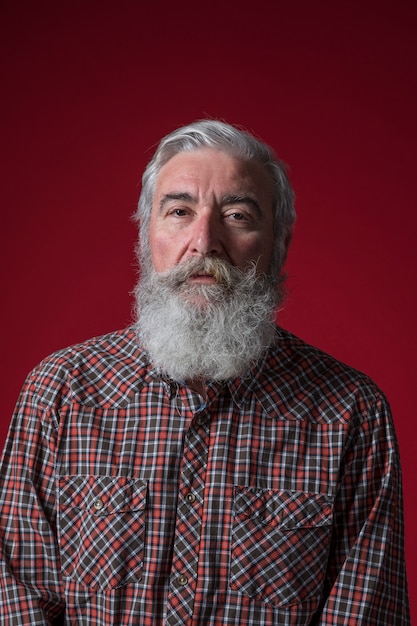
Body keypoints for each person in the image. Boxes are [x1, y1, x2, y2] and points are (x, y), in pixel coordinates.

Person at [0, 120, 410, 625]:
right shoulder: (60, 392)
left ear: (277, 244)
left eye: (237, 215)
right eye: (179, 212)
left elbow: (363, 614)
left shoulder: (350, 413)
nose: (204, 242)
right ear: (147, 236)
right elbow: (15, 596)